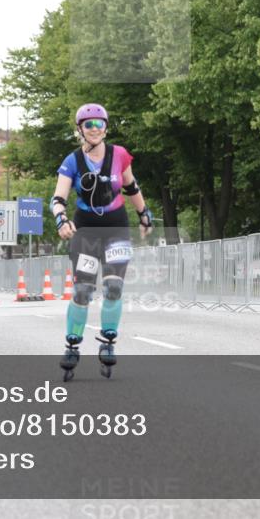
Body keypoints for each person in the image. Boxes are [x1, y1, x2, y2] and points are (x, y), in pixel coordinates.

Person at [51, 104, 152, 381]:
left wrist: (144, 214)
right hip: (85, 231)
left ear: (106, 127)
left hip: (116, 228)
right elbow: (58, 198)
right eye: (88, 124)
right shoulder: (72, 161)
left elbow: (131, 187)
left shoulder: (119, 155)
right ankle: (72, 344)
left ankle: (108, 340)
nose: (94, 129)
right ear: (80, 129)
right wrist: (61, 220)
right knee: (83, 290)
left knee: (113, 287)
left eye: (99, 124)